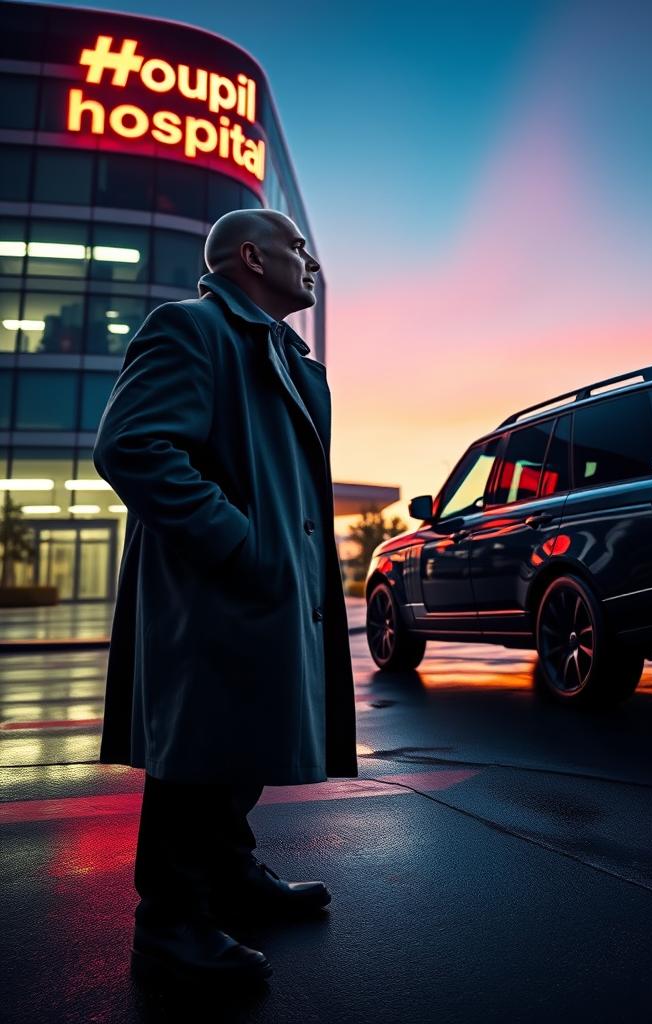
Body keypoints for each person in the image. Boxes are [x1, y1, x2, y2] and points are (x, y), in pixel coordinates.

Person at [93, 209, 357, 986]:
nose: (310, 259)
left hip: (265, 587)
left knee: (241, 738)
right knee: (199, 747)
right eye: (296, 246)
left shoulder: (290, 359)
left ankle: (232, 875)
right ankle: (169, 925)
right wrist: (239, 541)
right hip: (213, 587)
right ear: (250, 256)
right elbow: (132, 445)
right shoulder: (190, 327)